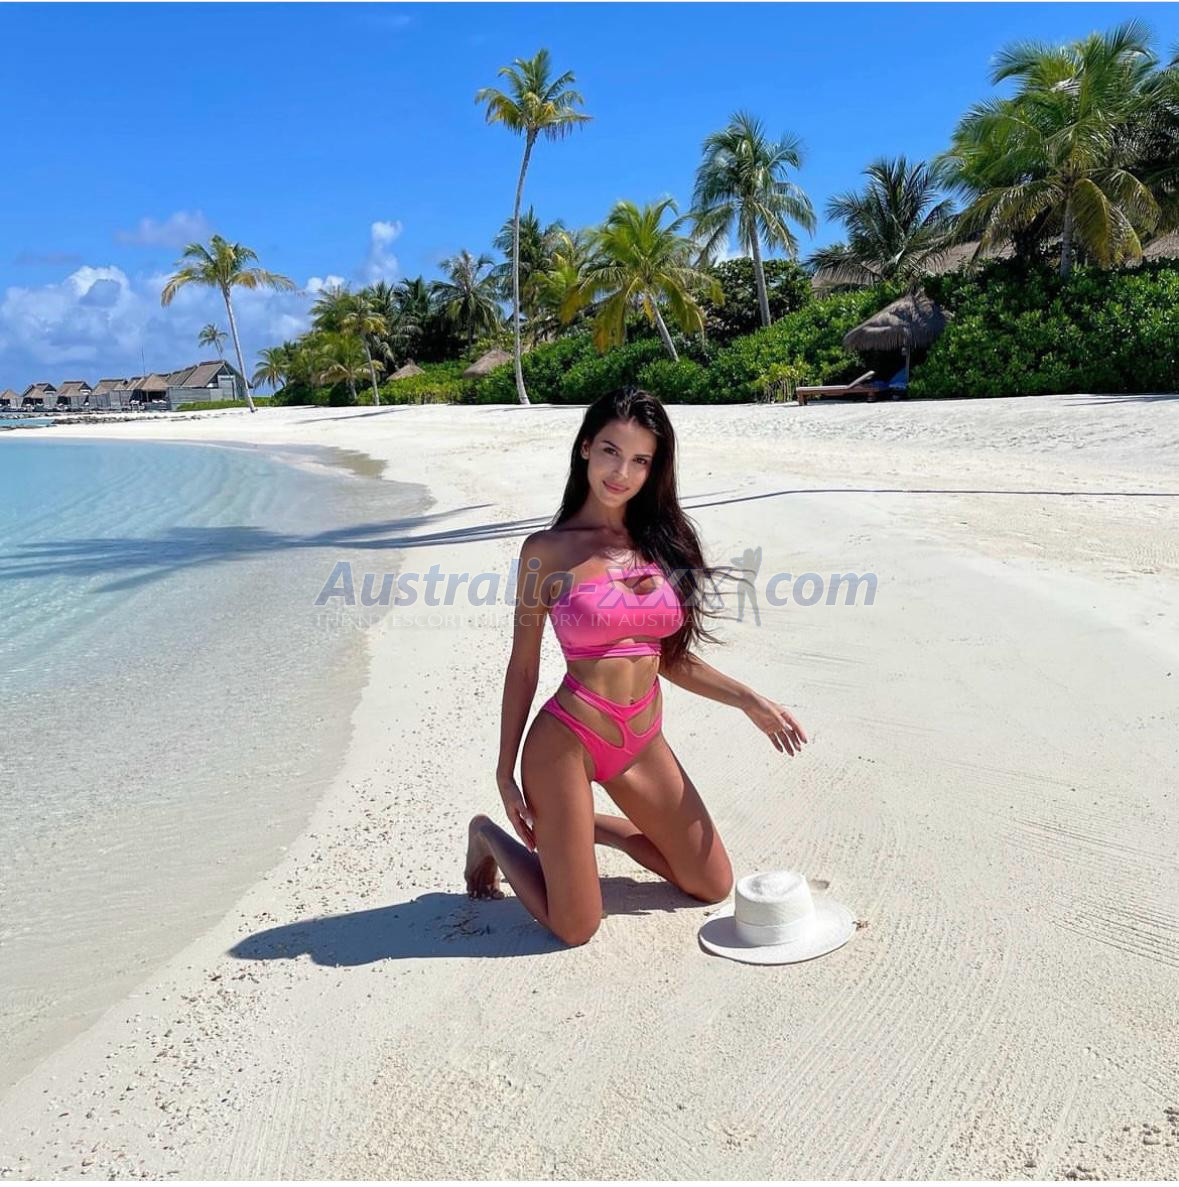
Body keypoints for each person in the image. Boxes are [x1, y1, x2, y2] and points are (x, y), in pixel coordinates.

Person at [463, 388, 809, 946]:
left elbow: (669, 658)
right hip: (567, 742)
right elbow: (523, 667)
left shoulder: (662, 542)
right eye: (610, 451)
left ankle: (588, 830)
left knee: (711, 884)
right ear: (584, 448)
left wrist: (750, 701)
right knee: (576, 927)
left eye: (640, 460)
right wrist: (504, 773)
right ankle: (487, 838)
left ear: (655, 468)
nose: (621, 473)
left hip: (642, 739)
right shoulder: (546, 552)